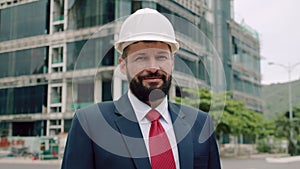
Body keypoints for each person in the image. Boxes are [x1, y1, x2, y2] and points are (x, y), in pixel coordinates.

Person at [61, 8, 221, 169]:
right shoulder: (89, 123)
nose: (153, 67)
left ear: (172, 62)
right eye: (141, 58)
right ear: (123, 65)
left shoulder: (201, 124)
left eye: (161, 57)